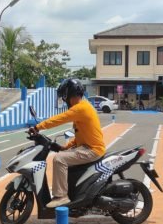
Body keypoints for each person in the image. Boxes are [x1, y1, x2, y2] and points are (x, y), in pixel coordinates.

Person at [28, 79, 105, 208]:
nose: (64, 99)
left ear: (69, 94)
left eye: (64, 95)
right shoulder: (83, 107)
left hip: (92, 150)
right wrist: (65, 147)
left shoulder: (80, 108)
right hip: (88, 147)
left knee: (59, 159)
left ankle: (61, 196)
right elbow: (80, 136)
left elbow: (60, 119)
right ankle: (70, 192)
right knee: (63, 155)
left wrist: (38, 127)